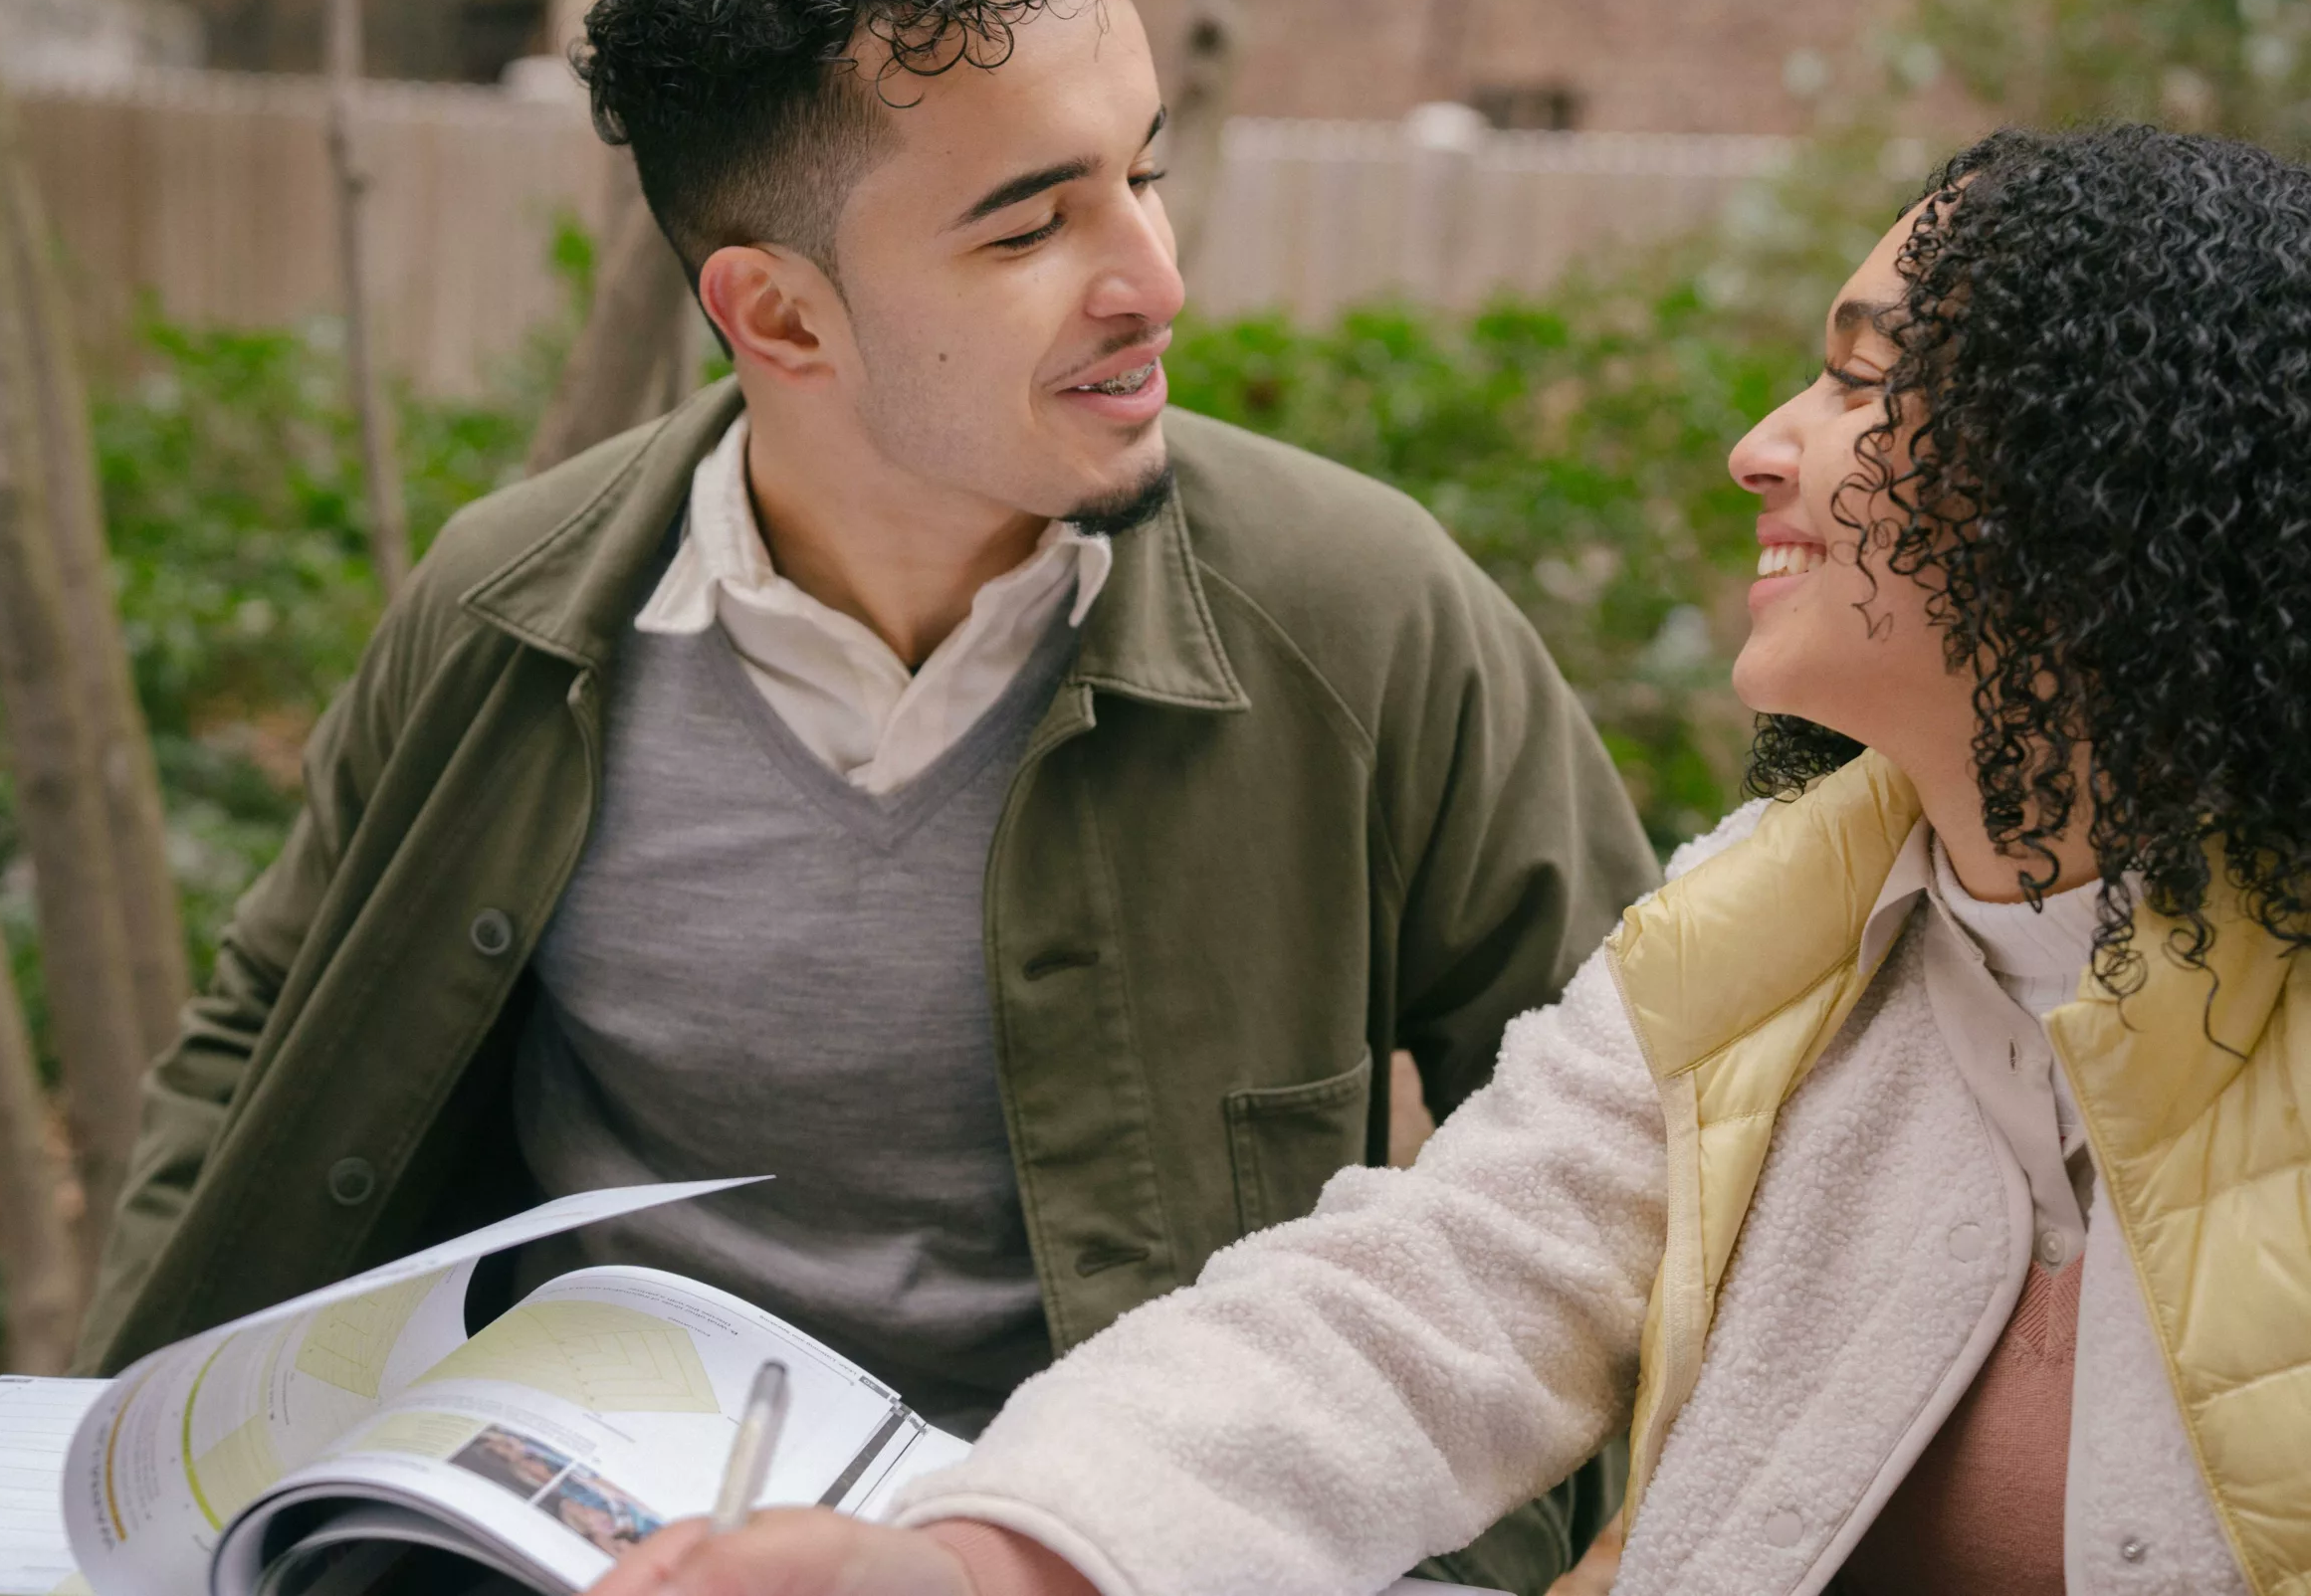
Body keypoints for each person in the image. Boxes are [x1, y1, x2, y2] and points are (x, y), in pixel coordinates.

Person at [73, 0, 1657, 1587]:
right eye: (1033, 227)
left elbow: (1650, 1148)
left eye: (1146, 174)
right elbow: (260, 1035)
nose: (1154, 279)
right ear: (780, 317)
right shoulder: (510, 622)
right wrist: (96, 1442)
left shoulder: (1361, 615)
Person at [587, 123, 2311, 1596]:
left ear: (2104, 479)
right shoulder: (1775, 937)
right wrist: (971, 1561)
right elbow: (1414, 1308)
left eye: (1858, 381)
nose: (1761, 444)